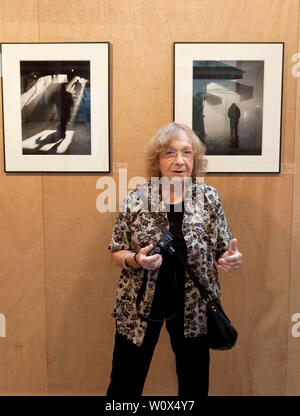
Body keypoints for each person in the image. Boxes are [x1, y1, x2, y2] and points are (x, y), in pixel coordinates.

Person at [106, 122, 243, 397]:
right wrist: (136, 259)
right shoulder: (136, 198)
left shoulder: (208, 198)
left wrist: (230, 258)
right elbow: (115, 249)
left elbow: (222, 248)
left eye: (187, 153)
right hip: (140, 305)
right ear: (157, 160)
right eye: (169, 153)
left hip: (193, 307)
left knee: (194, 383)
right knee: (125, 382)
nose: (179, 161)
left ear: (195, 159)